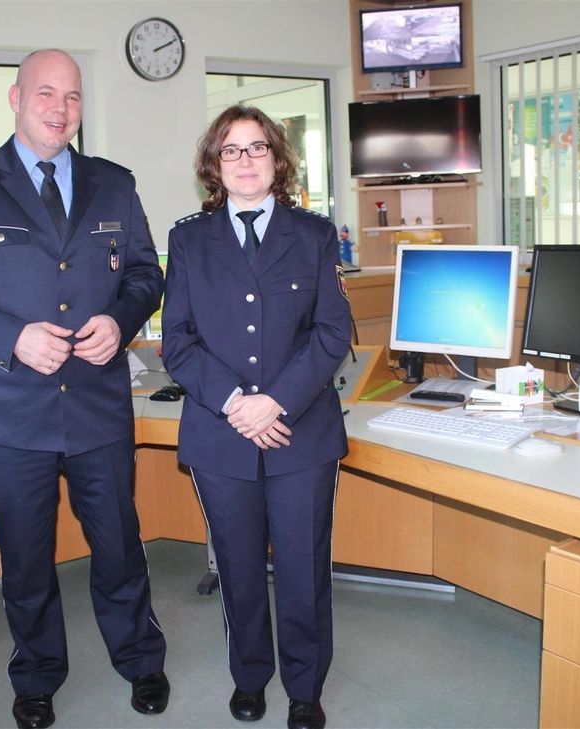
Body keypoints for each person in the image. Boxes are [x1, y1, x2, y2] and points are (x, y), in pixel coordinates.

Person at [0, 49, 169, 729]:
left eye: (73, 97)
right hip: (8, 407)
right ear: (16, 97)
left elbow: (145, 273)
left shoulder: (113, 183)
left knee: (118, 543)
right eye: (46, 94)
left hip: (96, 404)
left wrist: (121, 318)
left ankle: (141, 658)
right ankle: (36, 675)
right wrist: (11, 334)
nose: (60, 109)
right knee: (26, 557)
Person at [161, 106, 351, 729]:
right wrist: (239, 404)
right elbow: (178, 341)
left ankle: (304, 686)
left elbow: (332, 333)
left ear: (277, 159)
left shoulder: (316, 234)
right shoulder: (189, 238)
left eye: (257, 148)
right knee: (238, 567)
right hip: (222, 433)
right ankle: (250, 677)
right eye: (231, 150)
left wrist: (277, 401)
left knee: (301, 567)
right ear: (214, 165)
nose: (244, 160)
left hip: (301, 431)